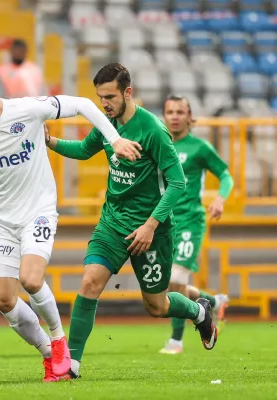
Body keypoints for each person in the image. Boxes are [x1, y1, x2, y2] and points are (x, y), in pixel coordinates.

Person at [0, 71, 142, 381]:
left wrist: (115, 138)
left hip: (38, 212)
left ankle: (59, 342)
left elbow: (84, 104)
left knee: (30, 280)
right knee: (3, 299)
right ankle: (48, 354)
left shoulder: (28, 109)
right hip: (3, 220)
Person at [44, 63, 219, 380]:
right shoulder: (107, 123)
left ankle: (199, 311)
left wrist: (151, 225)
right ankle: (72, 365)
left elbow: (177, 183)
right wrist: (50, 142)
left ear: (128, 92)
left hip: (152, 230)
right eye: (100, 98)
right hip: (112, 223)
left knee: (156, 306)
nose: (104, 104)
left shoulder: (152, 130)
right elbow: (85, 150)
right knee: (89, 283)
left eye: (109, 97)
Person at [159, 95, 232, 355]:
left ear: (190, 117)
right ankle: (213, 300)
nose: (175, 116)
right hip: (165, 224)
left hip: (190, 220)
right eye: (170, 111)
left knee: (176, 280)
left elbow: (225, 175)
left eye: (180, 111)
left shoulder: (199, 148)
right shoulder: (159, 145)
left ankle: (176, 340)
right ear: (164, 116)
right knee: (168, 284)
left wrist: (220, 199)